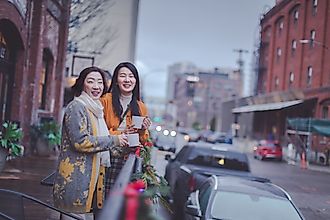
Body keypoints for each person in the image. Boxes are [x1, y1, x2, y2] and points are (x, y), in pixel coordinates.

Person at [53, 66, 128, 220]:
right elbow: (81, 142)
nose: (96, 86)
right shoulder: (77, 107)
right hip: (75, 182)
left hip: (89, 185)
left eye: (100, 82)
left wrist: (125, 145)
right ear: (82, 84)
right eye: (91, 81)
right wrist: (115, 140)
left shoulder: (95, 110)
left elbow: (101, 146)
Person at [100, 62, 152, 195]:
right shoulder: (105, 100)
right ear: (116, 80)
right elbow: (99, 131)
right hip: (106, 157)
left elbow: (143, 140)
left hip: (127, 160)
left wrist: (143, 130)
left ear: (136, 81)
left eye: (131, 76)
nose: (127, 80)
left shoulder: (141, 107)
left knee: (120, 204)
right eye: (123, 76)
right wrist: (121, 133)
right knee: (103, 201)